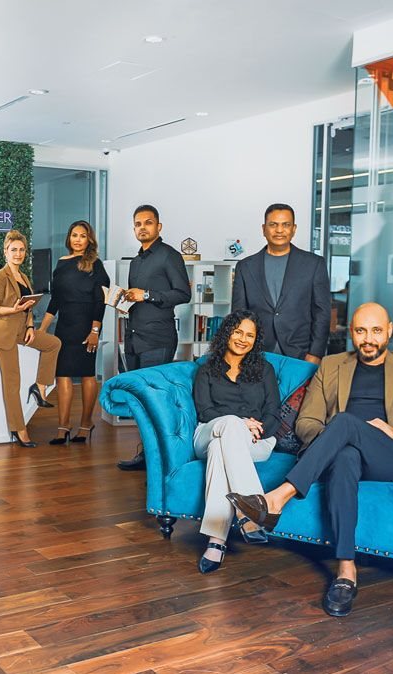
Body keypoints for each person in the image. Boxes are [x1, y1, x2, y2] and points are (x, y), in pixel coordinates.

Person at [230, 303, 393, 617]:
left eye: (376, 331)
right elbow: (307, 422)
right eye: (361, 331)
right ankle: (346, 569)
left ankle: (278, 498)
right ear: (351, 332)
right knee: (346, 451)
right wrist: (333, 441)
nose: (368, 339)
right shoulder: (332, 365)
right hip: (343, 454)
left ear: (389, 331)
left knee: (346, 421)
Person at [192, 309, 281, 574]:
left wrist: (253, 431)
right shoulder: (207, 369)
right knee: (229, 425)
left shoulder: (264, 370)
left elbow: (273, 413)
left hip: (255, 441)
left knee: (221, 447)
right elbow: (205, 411)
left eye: (249, 335)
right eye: (238, 332)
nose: (243, 339)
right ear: (227, 333)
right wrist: (240, 423)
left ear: (255, 340)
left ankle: (216, 541)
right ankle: (250, 510)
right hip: (210, 431)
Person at [117, 204, 191, 470]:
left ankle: (163, 461)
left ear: (158, 227)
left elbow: (183, 294)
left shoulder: (169, 256)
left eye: (148, 222)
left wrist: (147, 295)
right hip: (134, 338)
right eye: (138, 224)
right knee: (141, 402)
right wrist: (124, 299)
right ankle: (147, 456)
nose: (142, 228)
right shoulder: (136, 261)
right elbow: (137, 298)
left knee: (157, 402)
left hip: (158, 339)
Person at [0, 230, 61, 447]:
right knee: (13, 384)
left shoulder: (24, 277)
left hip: (22, 330)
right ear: (5, 252)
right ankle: (19, 429)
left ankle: (40, 386)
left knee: (53, 343)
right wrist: (13, 309)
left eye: (21, 250)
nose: (18, 254)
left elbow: (28, 307)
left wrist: (30, 325)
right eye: (13, 250)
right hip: (3, 335)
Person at [231, 203, 330, 364]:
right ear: (264, 229)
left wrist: (315, 353)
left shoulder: (314, 264)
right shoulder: (245, 267)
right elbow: (239, 316)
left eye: (286, 225)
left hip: (301, 354)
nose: (279, 230)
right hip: (256, 354)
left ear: (294, 229)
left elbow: (322, 313)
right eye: (273, 225)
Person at [39, 220, 110, 444]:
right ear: (69, 238)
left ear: (89, 240)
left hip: (87, 326)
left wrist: (95, 331)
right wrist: (42, 330)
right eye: (74, 235)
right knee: (62, 375)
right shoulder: (61, 263)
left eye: (82, 236)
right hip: (65, 327)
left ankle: (86, 424)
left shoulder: (96, 264)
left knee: (87, 374)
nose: (78, 240)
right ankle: (63, 426)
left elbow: (101, 301)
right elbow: (55, 301)